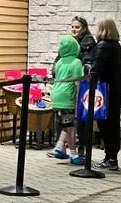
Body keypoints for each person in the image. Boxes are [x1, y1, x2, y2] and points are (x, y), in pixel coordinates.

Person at [91, 19, 121, 171]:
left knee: (104, 123)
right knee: (114, 122)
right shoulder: (116, 46)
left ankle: (110, 157)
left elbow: (96, 68)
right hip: (116, 90)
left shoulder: (102, 46)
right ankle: (112, 157)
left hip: (104, 90)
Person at [48, 35, 83, 164]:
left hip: (56, 96)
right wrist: (79, 99)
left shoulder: (59, 62)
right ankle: (74, 155)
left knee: (65, 123)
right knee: (71, 127)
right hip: (68, 97)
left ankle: (59, 147)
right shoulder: (77, 62)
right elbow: (77, 82)